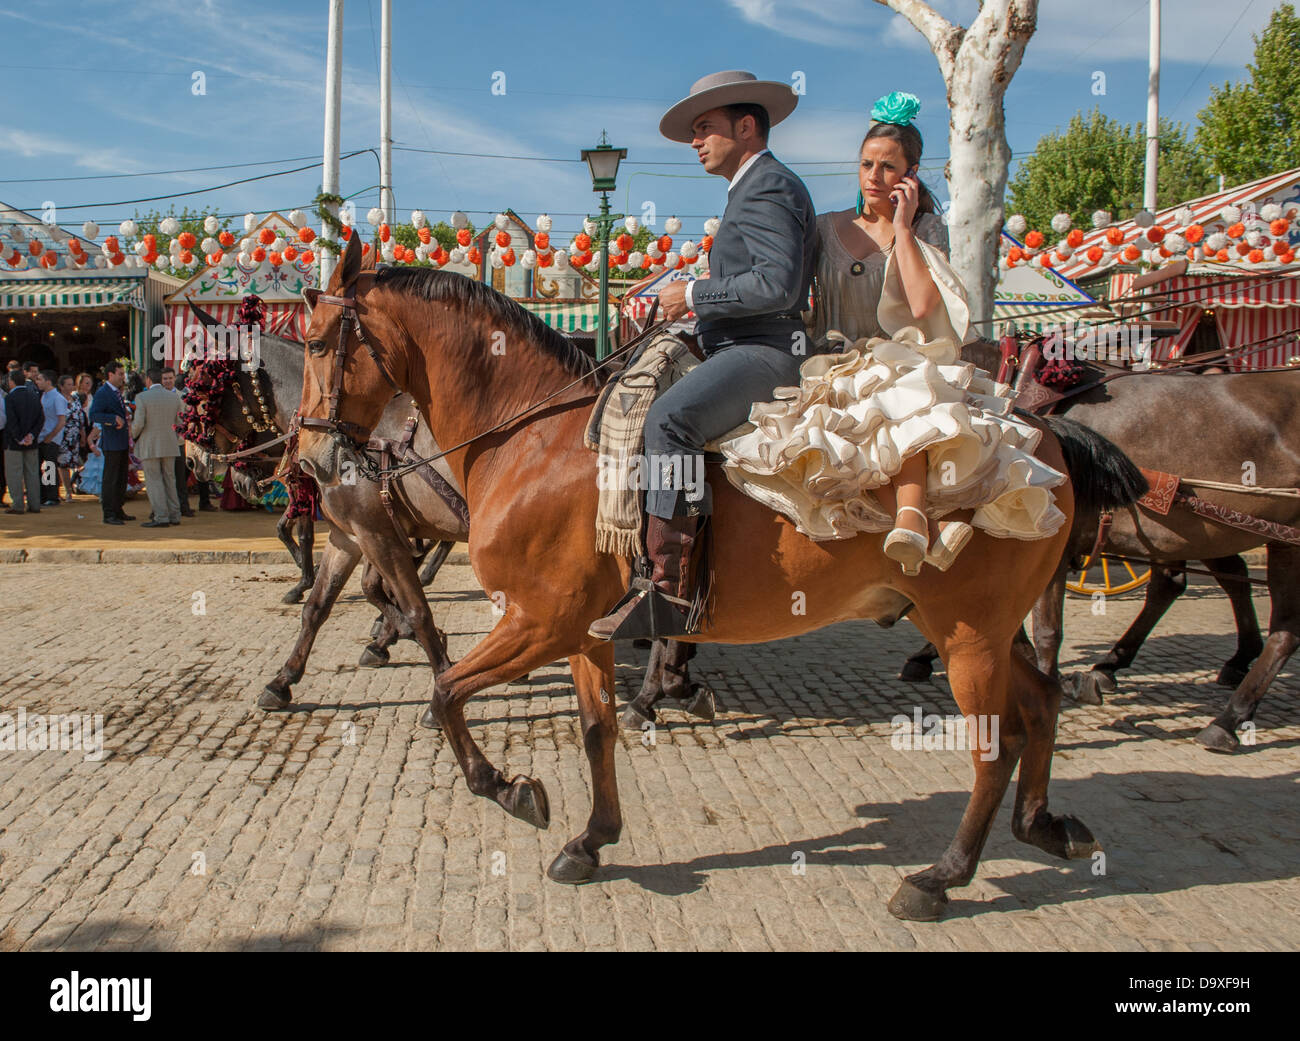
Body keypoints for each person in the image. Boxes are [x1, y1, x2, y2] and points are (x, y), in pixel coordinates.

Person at [719, 91, 1067, 572]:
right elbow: (787, 290)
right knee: (837, 418)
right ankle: (920, 527)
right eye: (866, 164)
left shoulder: (925, 231)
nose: (873, 177)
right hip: (829, 358)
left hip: (900, 357)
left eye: (887, 167)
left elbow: (924, 306)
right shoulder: (824, 227)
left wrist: (902, 229)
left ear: (909, 174)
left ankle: (912, 519)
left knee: (900, 400)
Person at [589, 69, 818, 641]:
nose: (696, 141)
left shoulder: (768, 184)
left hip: (767, 351)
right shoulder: (750, 185)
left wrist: (690, 293)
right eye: (695, 130)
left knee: (670, 420)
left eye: (705, 128)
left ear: (746, 126)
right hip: (736, 343)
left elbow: (776, 287)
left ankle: (669, 590)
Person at [131, 367, 182, 527]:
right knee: (170, 479)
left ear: (148, 380)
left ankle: (161, 516)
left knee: (154, 480)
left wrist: (132, 435)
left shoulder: (142, 397)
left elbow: (139, 423)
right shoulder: (174, 398)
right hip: (170, 442)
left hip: (150, 444)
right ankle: (175, 514)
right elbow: (179, 423)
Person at [89, 361, 133, 525]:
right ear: (111, 375)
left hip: (120, 441)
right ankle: (108, 513)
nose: (123, 377)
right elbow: (94, 415)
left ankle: (117, 509)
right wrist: (112, 420)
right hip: (112, 441)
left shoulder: (115, 392)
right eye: (120, 374)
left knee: (121, 478)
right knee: (111, 478)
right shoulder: (103, 392)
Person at [3, 368, 43, 514]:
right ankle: (34, 504)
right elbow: (40, 419)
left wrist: (19, 437)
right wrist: (31, 435)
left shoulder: (10, 398)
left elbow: (11, 421)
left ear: (11, 381)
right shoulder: (33, 395)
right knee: (32, 473)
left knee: (14, 473)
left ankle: (18, 504)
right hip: (31, 441)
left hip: (14, 443)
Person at [160, 367, 195, 517]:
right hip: (163, 442)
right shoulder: (158, 397)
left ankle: (183, 506)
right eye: (165, 379)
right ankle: (163, 507)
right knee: (164, 477)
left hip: (179, 442)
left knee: (180, 477)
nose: (168, 381)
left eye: (170, 378)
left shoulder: (183, 397)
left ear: (174, 379)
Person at [35, 369, 68, 506]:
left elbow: (62, 421)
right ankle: (43, 495)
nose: (37, 382)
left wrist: (51, 436)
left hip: (51, 438)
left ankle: (52, 496)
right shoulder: (43, 396)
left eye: (40, 379)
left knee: (49, 467)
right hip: (41, 437)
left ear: (48, 381)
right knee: (42, 468)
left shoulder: (58, 398)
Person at [57, 373, 87, 502]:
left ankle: (70, 488)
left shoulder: (75, 399)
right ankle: (66, 491)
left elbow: (80, 418)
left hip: (74, 436)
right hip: (62, 435)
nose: (71, 387)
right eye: (68, 384)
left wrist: (83, 434)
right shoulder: (58, 399)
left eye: (71, 384)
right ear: (61, 386)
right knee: (62, 464)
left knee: (73, 462)